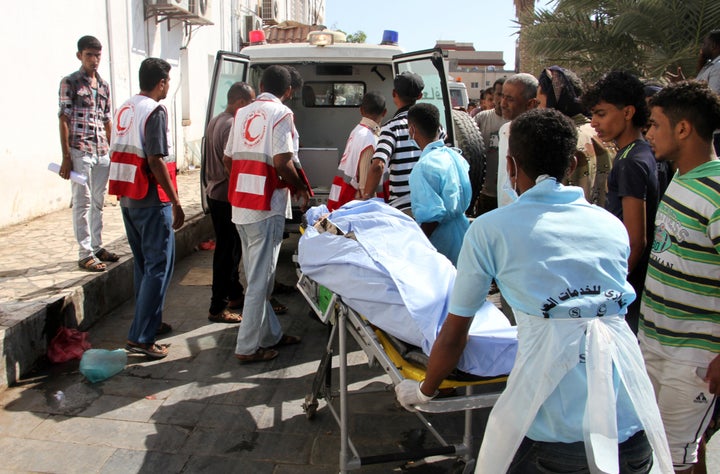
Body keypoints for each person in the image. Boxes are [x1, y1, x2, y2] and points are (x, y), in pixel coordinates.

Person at [395, 108, 672, 473]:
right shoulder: (610, 225)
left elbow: (455, 332)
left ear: (510, 166)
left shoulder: (492, 230)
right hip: (632, 422)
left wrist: (423, 390)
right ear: (572, 163)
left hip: (558, 434)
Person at [639, 81, 720, 473]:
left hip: (693, 357)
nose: (648, 133)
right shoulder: (681, 177)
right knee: (665, 451)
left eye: (654, 124)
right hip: (655, 341)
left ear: (683, 129)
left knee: (675, 459)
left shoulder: (716, 190)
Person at [223, 65, 310, 363]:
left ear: (260, 84)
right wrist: (299, 188)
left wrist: (246, 179)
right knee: (262, 282)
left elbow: (228, 158)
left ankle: (270, 334)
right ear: (287, 92)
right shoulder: (281, 114)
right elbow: (283, 162)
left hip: (241, 205)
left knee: (256, 276)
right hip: (266, 206)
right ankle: (247, 347)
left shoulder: (242, 113)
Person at [109, 58, 183, 359]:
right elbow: (155, 160)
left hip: (127, 195)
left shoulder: (126, 107)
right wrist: (176, 201)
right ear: (162, 82)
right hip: (150, 198)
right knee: (158, 266)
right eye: (168, 82)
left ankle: (149, 323)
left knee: (143, 265)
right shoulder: (154, 110)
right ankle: (141, 337)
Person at [583, 71, 659, 334]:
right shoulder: (640, 152)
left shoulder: (630, 162)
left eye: (601, 114)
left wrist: (611, 292)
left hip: (628, 289)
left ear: (627, 112)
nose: (593, 122)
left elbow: (636, 240)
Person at [58, 35, 117, 272]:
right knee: (82, 201)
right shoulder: (70, 83)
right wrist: (66, 156)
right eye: (89, 55)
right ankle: (85, 253)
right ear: (80, 55)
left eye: (97, 55)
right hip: (79, 150)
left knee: (98, 201)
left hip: (101, 150)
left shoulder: (103, 86)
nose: (94, 60)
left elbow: (107, 120)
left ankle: (97, 245)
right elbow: (63, 118)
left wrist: (113, 151)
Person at [204, 82, 255, 324]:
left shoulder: (216, 120)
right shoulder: (232, 124)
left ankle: (234, 294)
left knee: (229, 248)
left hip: (215, 194)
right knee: (228, 253)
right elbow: (229, 162)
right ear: (241, 103)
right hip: (226, 196)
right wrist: (241, 190)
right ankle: (218, 306)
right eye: (250, 103)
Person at [536, 65, 613, 205]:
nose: (538, 110)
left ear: (553, 100)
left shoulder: (564, 141)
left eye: (539, 103)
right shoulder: (600, 132)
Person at [407, 103, 471, 266]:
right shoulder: (454, 156)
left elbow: (431, 216)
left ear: (412, 129)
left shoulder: (424, 167)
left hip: (441, 241)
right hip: (462, 233)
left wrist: (416, 246)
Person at [361, 71, 427, 214]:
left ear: (394, 94)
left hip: (402, 208)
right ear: (420, 96)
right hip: (429, 205)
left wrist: (366, 199)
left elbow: (378, 166)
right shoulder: (433, 127)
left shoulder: (391, 128)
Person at [327, 91, 386, 211]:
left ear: (361, 110)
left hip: (341, 198)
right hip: (355, 204)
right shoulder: (369, 139)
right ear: (384, 113)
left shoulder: (357, 131)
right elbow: (364, 186)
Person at [496, 73, 539, 208]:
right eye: (503, 96)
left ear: (530, 103)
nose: (503, 103)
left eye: (510, 99)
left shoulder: (539, 136)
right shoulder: (504, 131)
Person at [473, 78, 508, 215]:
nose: (502, 100)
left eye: (506, 96)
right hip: (485, 193)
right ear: (493, 95)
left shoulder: (518, 121)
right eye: (499, 94)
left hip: (509, 195)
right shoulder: (481, 119)